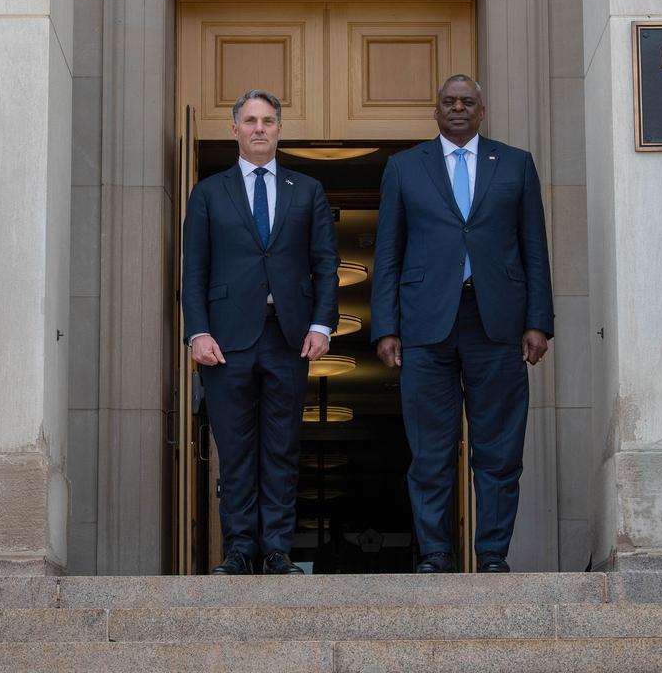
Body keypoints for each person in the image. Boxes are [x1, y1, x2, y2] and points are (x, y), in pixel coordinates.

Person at [370, 74, 554, 574]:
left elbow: (534, 248)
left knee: (498, 449)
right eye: (449, 102)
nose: (457, 109)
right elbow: (388, 253)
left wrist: (539, 320)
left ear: (482, 110)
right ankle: (435, 553)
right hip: (425, 327)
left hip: (497, 323)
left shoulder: (515, 164)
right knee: (430, 451)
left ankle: (492, 554)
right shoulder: (405, 167)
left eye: (467, 102)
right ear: (436, 111)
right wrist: (386, 327)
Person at [181, 89, 339, 575]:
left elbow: (325, 264)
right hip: (226, 341)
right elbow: (194, 271)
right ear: (234, 130)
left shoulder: (306, 189)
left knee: (281, 447)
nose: (259, 128)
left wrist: (321, 324)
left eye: (268, 120)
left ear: (279, 129)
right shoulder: (209, 192)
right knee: (235, 450)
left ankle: (276, 550)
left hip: (288, 336)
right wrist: (198, 333)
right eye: (250, 120)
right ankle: (239, 549)